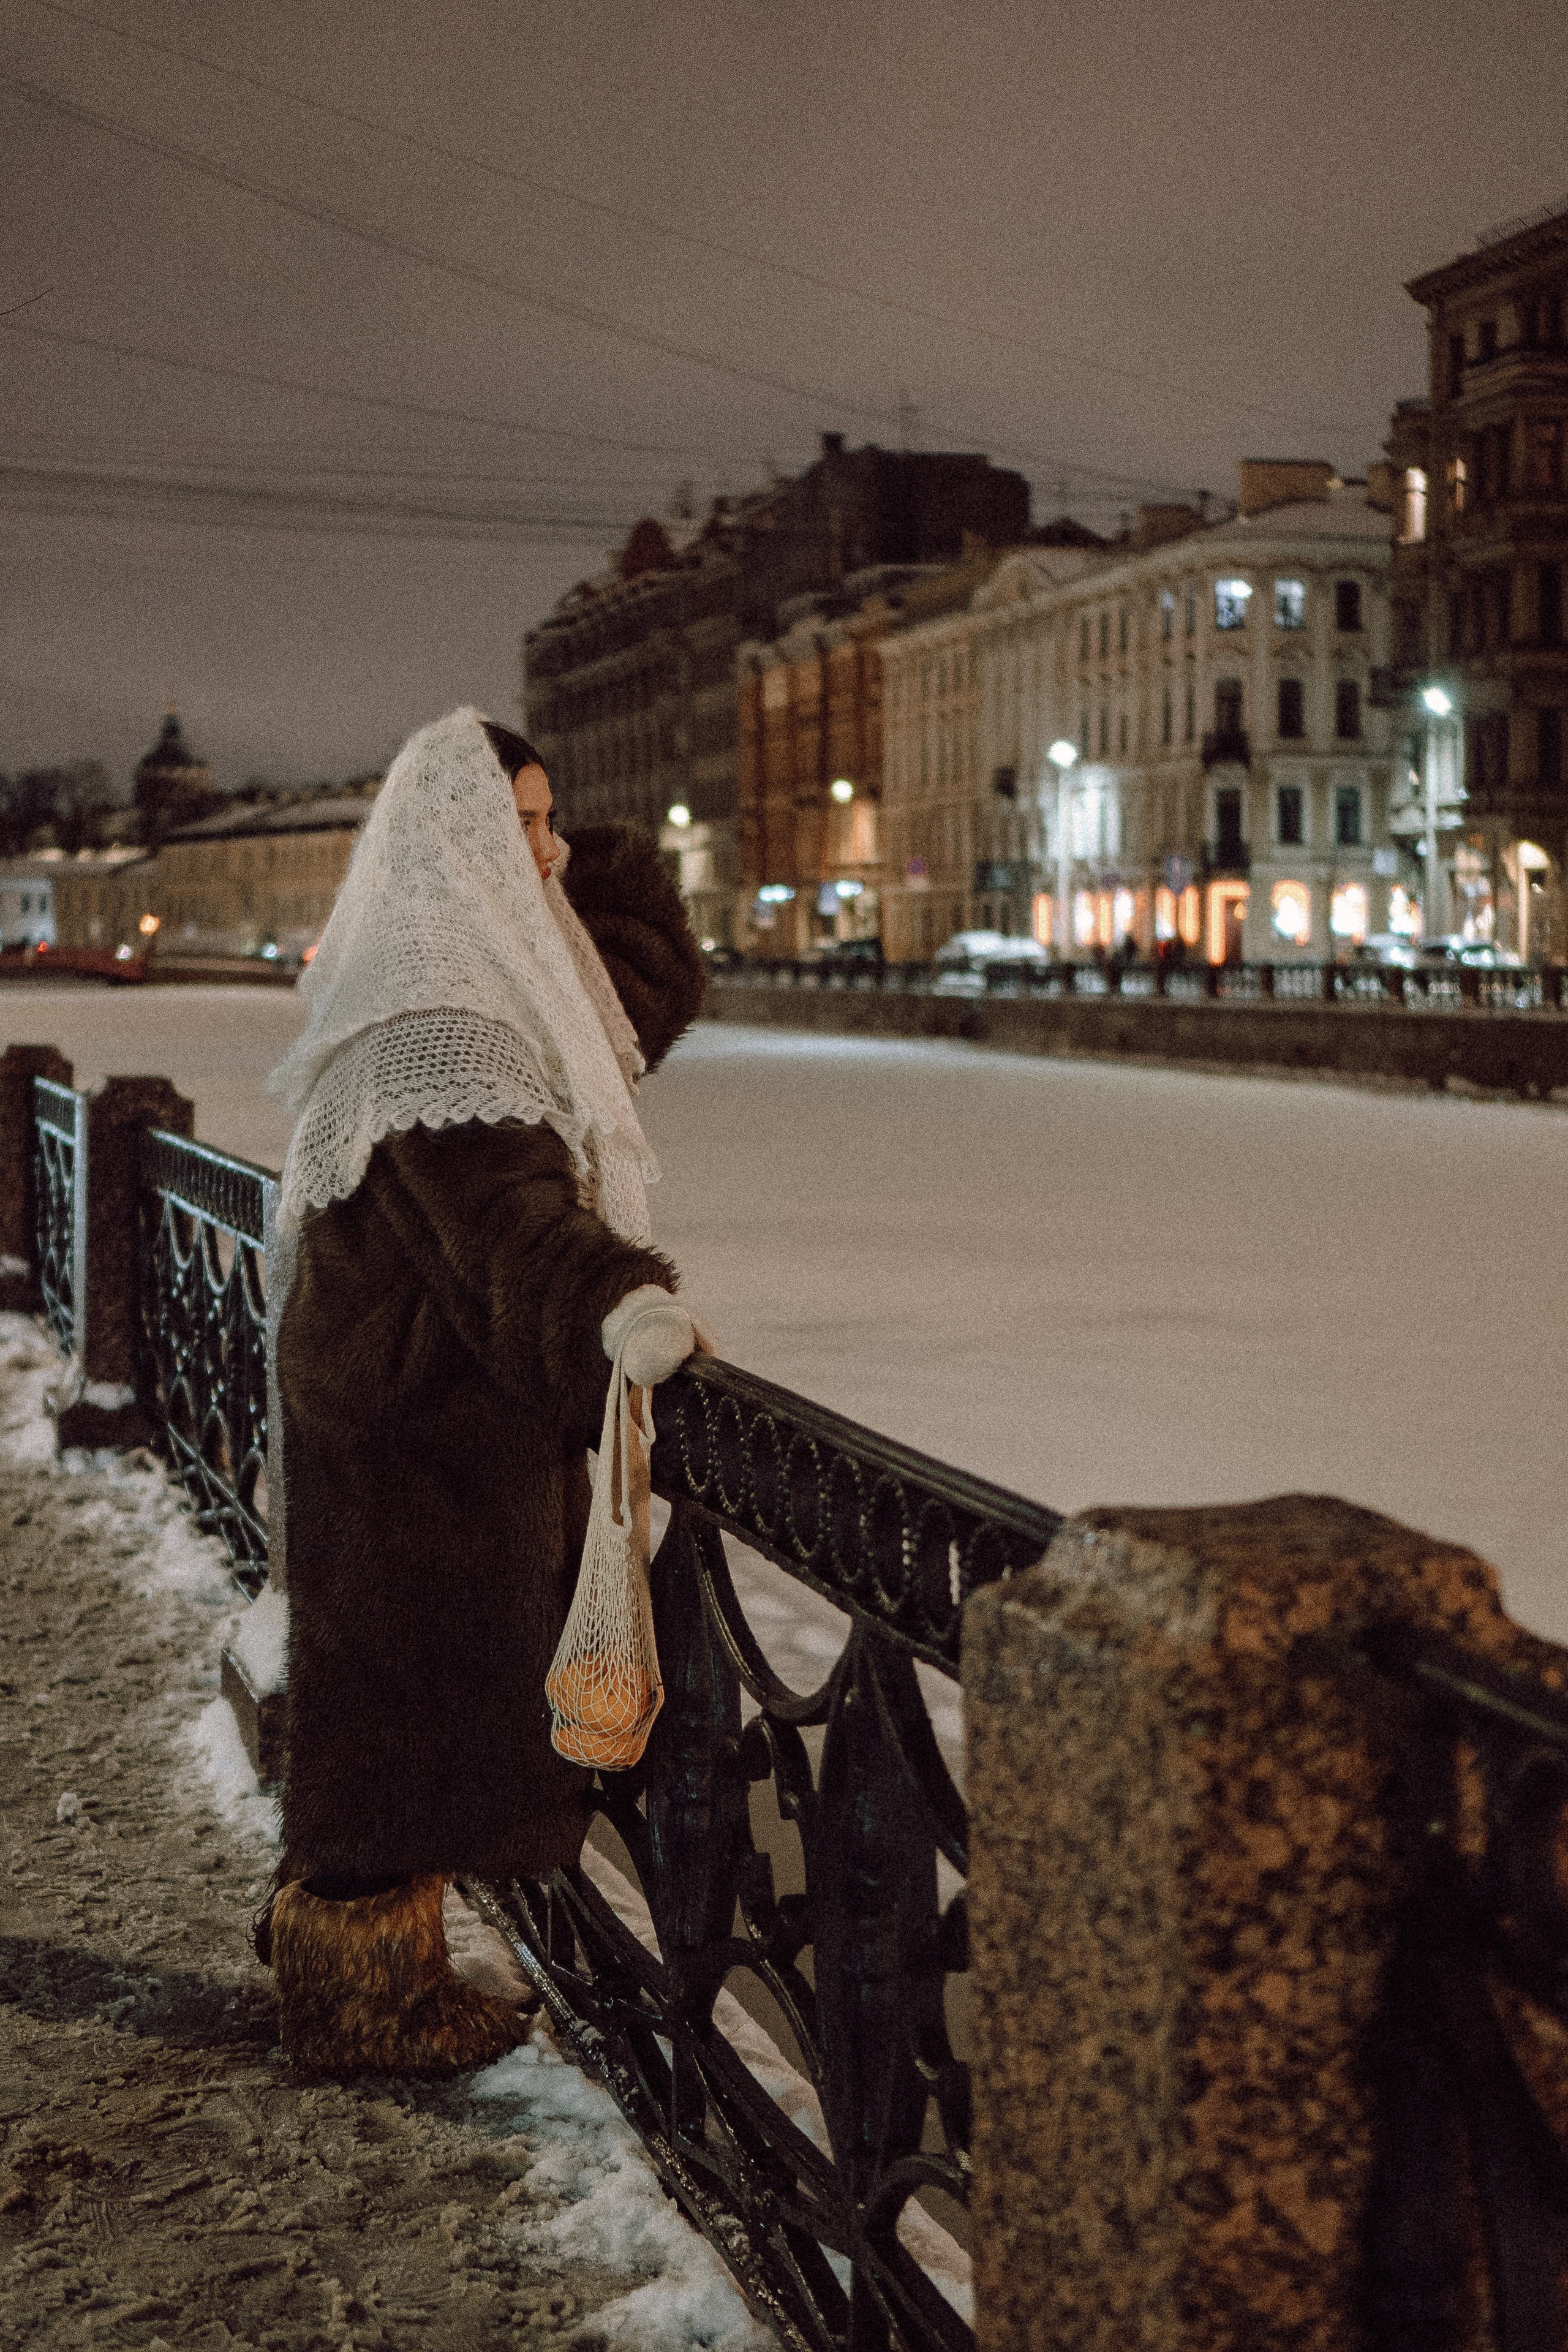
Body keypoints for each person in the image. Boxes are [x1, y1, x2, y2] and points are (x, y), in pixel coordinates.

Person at [255, 705, 706, 2075]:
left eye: (548, 824)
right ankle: (362, 1998)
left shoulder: (463, 979)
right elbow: (508, 1225)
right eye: (522, 828)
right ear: (454, 842)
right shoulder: (438, 1024)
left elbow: (609, 1011)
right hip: (415, 1445)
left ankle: (350, 1958)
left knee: (397, 1714)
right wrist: (617, 1306)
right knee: (399, 1726)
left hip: (399, 1420)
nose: (548, 853)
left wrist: (615, 875)